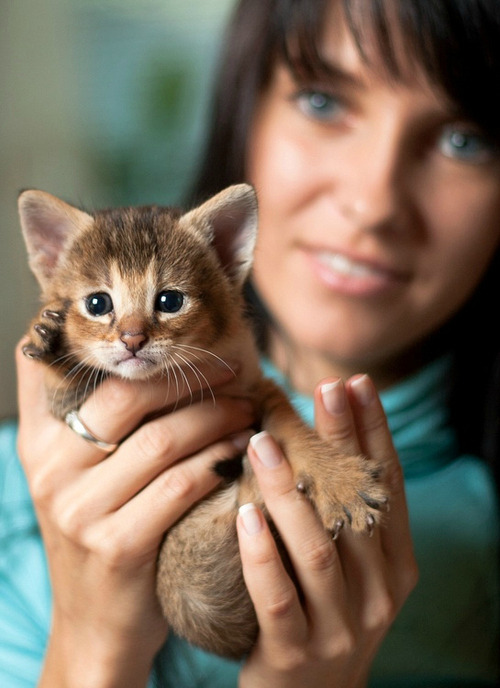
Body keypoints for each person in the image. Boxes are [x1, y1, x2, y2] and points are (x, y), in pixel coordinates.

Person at [1, 0, 499, 686]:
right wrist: (91, 644)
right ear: (243, 109)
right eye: (324, 101)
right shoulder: (13, 488)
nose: (373, 202)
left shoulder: (482, 535)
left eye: (466, 138)